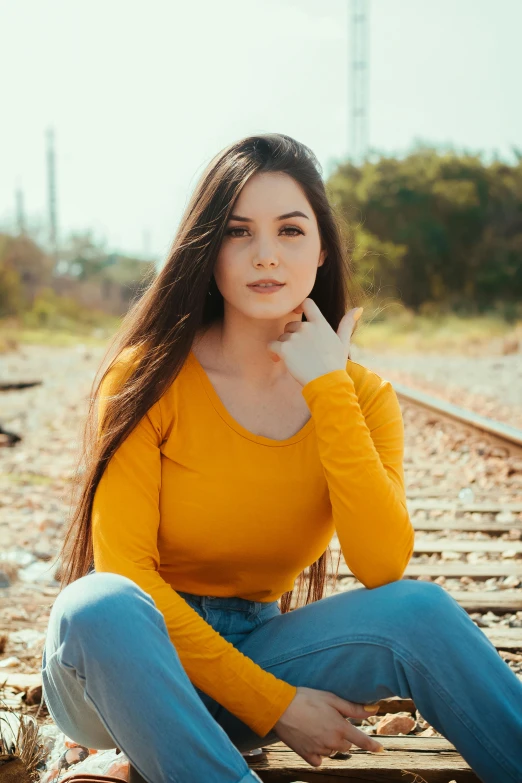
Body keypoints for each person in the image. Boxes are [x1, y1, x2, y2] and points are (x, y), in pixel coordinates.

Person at [41, 133, 522, 783]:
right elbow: (128, 573)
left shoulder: (363, 397)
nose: (266, 254)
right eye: (239, 231)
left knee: (422, 610)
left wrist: (329, 388)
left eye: (290, 230)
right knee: (96, 601)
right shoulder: (146, 377)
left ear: (321, 248)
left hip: (257, 646)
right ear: (207, 249)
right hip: (119, 665)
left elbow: (383, 563)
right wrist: (280, 705)